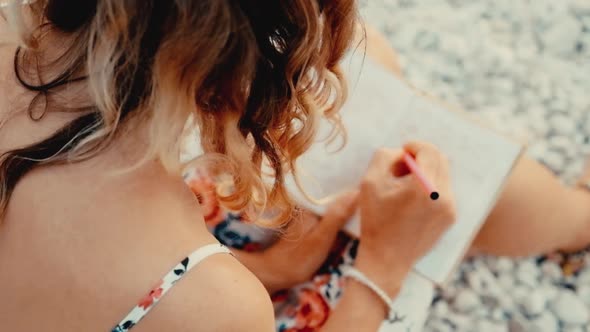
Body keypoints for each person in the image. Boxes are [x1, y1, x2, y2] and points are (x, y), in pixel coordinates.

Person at [0, 1, 587, 332]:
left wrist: (270, 268)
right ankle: (578, 218)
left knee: (368, 68)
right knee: (473, 177)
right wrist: (384, 263)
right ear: (223, 84)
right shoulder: (207, 305)